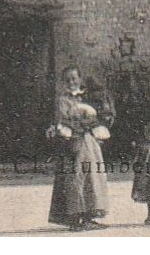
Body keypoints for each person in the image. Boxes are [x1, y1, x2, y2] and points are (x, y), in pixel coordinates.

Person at [46, 66, 111, 231]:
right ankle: (75, 217)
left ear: (80, 79)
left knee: (92, 177)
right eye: (67, 80)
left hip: (89, 140)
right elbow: (63, 118)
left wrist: (96, 126)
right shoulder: (63, 99)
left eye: (74, 79)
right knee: (75, 178)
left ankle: (89, 215)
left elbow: (97, 115)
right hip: (73, 141)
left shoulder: (88, 96)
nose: (71, 82)